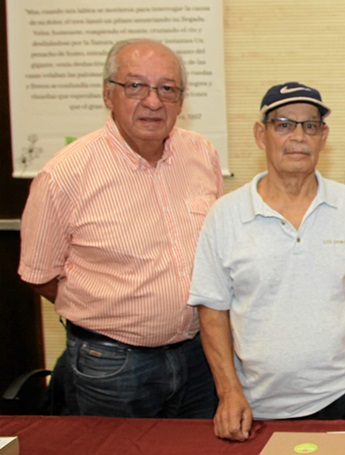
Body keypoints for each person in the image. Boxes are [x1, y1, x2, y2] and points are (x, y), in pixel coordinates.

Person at [18, 38, 223, 417]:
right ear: (108, 94)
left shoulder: (201, 154)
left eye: (167, 88)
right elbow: (38, 274)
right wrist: (105, 309)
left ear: (181, 99)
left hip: (198, 355)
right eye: (135, 86)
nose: (153, 101)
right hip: (112, 364)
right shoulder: (65, 175)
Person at [188, 82, 345, 441]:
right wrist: (228, 391)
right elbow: (212, 310)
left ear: (323, 136)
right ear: (260, 135)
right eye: (283, 124)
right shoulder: (226, 215)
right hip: (262, 406)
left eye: (309, 125)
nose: (298, 136)